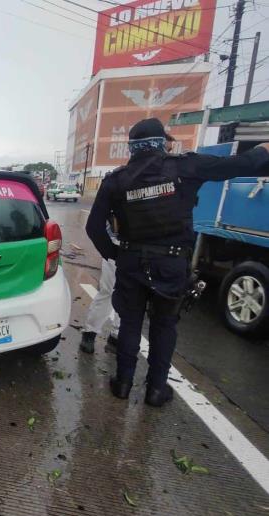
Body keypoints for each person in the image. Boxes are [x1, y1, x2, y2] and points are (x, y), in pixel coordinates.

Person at [86, 118, 269, 407]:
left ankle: (122, 384)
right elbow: (236, 166)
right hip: (171, 264)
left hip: (132, 261)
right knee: (164, 326)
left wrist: (118, 255)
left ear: (131, 147)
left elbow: (94, 228)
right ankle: (156, 391)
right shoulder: (185, 166)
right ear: (161, 142)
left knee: (130, 324)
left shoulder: (115, 180)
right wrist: (262, 152)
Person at [80, 136, 179, 355]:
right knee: (108, 291)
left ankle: (116, 336)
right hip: (122, 247)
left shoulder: (169, 178)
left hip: (148, 254)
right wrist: (112, 252)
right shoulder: (126, 177)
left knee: (130, 300)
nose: (166, 154)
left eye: (170, 149)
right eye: (166, 148)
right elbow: (101, 220)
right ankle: (90, 332)